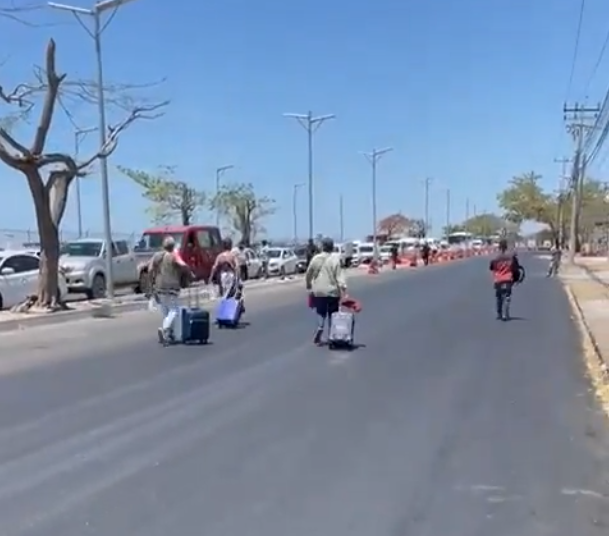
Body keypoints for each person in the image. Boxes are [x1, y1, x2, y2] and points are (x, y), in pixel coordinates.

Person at [148, 236, 192, 344]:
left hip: (159, 286)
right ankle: (165, 329)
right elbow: (183, 265)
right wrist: (189, 273)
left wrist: (152, 283)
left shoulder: (157, 256)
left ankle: (169, 334)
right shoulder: (173, 255)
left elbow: (149, 270)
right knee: (174, 311)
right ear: (172, 246)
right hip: (171, 287)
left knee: (166, 311)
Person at [305, 237, 347, 345]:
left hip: (319, 290)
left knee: (320, 311)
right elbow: (339, 276)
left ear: (322, 246)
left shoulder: (316, 258)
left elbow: (309, 273)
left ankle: (320, 327)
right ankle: (332, 335)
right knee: (333, 313)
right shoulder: (335, 259)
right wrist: (343, 288)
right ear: (332, 247)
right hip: (333, 291)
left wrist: (309, 285)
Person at [489, 238, 522, 321]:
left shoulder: (495, 257)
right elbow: (516, 267)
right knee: (507, 296)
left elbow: (491, 267)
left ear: (499, 246)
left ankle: (499, 313)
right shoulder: (510, 256)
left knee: (499, 297)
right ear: (506, 246)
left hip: (498, 279)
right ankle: (505, 313)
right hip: (508, 279)